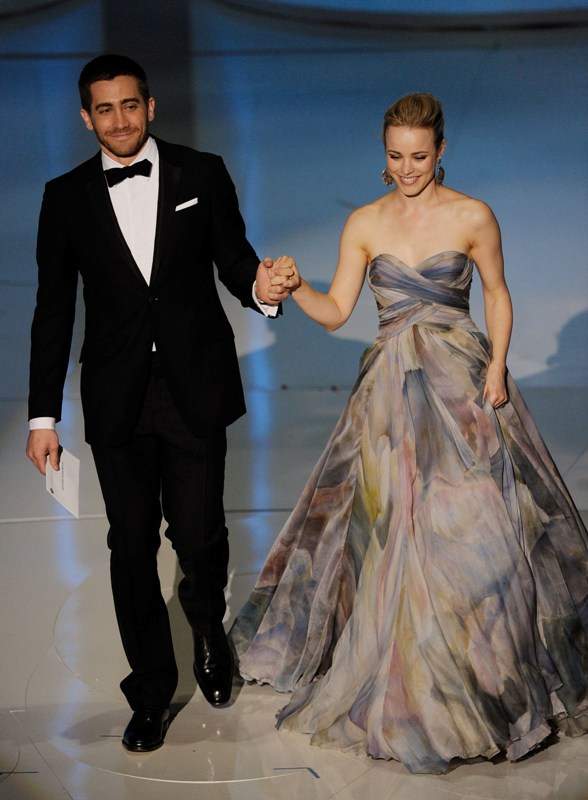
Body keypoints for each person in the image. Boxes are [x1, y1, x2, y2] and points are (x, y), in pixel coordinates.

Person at [231, 93, 588, 774]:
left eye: (419, 156)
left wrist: (499, 367)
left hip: (464, 388)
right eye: (395, 157)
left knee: (485, 535)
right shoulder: (365, 222)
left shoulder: (473, 215)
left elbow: (497, 293)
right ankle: (418, 701)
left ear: (441, 150)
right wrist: (296, 285)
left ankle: (489, 690)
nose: (406, 169)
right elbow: (337, 310)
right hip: (391, 401)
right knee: (397, 543)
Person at [26, 54, 295, 753]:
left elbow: (233, 259)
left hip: (193, 384)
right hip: (116, 397)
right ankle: (149, 690)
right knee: (131, 544)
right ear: (86, 118)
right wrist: (43, 417)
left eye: (129, 105)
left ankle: (209, 634)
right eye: (104, 109)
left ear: (150, 107)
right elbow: (53, 310)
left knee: (200, 536)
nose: (119, 120)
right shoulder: (65, 196)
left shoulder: (199, 173)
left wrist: (262, 287)